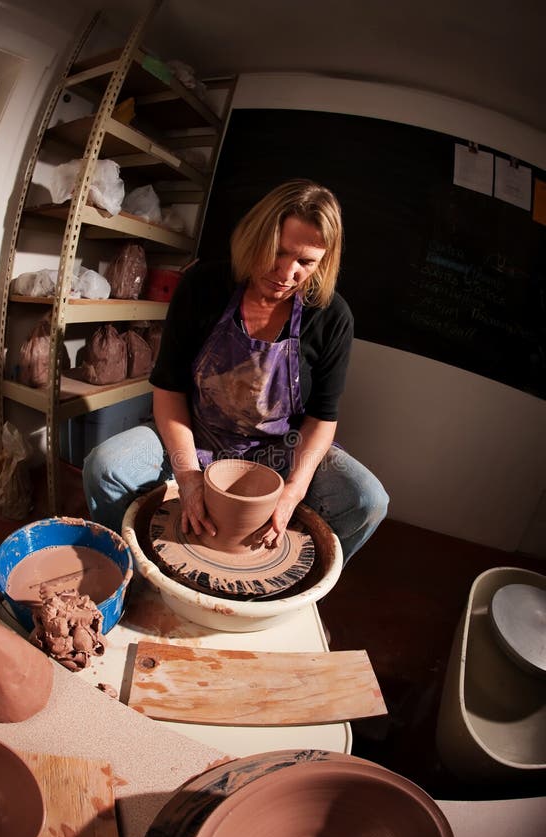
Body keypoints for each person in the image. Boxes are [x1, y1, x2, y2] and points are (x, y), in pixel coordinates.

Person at [83, 180, 388, 566]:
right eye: (277, 252)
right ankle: (132, 573)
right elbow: (169, 391)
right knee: (105, 467)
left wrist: (292, 492)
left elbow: (322, 420)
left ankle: (292, 587)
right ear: (254, 237)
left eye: (306, 262)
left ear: (323, 262)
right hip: (196, 433)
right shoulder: (204, 286)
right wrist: (189, 476)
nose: (286, 272)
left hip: (280, 448)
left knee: (367, 500)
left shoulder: (331, 316)